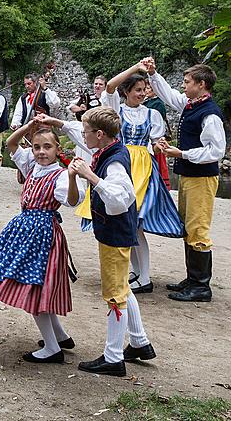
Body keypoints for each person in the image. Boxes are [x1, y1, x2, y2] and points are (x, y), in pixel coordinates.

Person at [0, 120, 82, 364]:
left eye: (47, 147)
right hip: (25, 232)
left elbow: (73, 201)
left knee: (33, 287)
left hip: (41, 236)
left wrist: (74, 177)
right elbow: (11, 142)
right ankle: (60, 336)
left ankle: (52, 348)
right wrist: (30, 126)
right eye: (36, 147)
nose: (41, 152)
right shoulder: (31, 164)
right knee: (37, 286)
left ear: (57, 150)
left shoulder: (61, 176)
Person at [69, 107, 155, 377]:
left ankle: (113, 357)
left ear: (100, 134)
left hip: (115, 233)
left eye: (86, 132)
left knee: (114, 294)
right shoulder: (111, 149)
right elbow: (81, 137)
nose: (83, 136)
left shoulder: (115, 162)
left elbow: (120, 200)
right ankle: (140, 342)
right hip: (115, 232)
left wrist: (91, 177)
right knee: (121, 287)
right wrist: (59, 123)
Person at [144, 58, 225, 303]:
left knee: (198, 229)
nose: (183, 86)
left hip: (202, 178)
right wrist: (153, 74)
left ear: (201, 84)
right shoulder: (192, 104)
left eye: (187, 82)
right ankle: (192, 279)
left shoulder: (210, 114)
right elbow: (169, 96)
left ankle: (201, 286)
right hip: (191, 176)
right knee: (189, 228)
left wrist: (181, 153)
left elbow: (216, 150)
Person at [101, 63, 184, 295]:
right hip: (123, 163)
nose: (142, 93)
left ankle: (144, 277)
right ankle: (138, 272)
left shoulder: (152, 114)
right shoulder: (117, 111)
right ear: (126, 91)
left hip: (143, 168)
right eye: (138, 89)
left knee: (135, 222)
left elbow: (155, 143)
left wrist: (160, 146)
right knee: (130, 222)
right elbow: (109, 86)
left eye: (144, 89)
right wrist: (136, 67)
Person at [142, 80, 171, 190]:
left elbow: (157, 122)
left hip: (154, 138)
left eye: (149, 88)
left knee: (158, 162)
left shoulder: (157, 103)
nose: (147, 91)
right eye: (147, 88)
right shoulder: (147, 102)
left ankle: (159, 186)